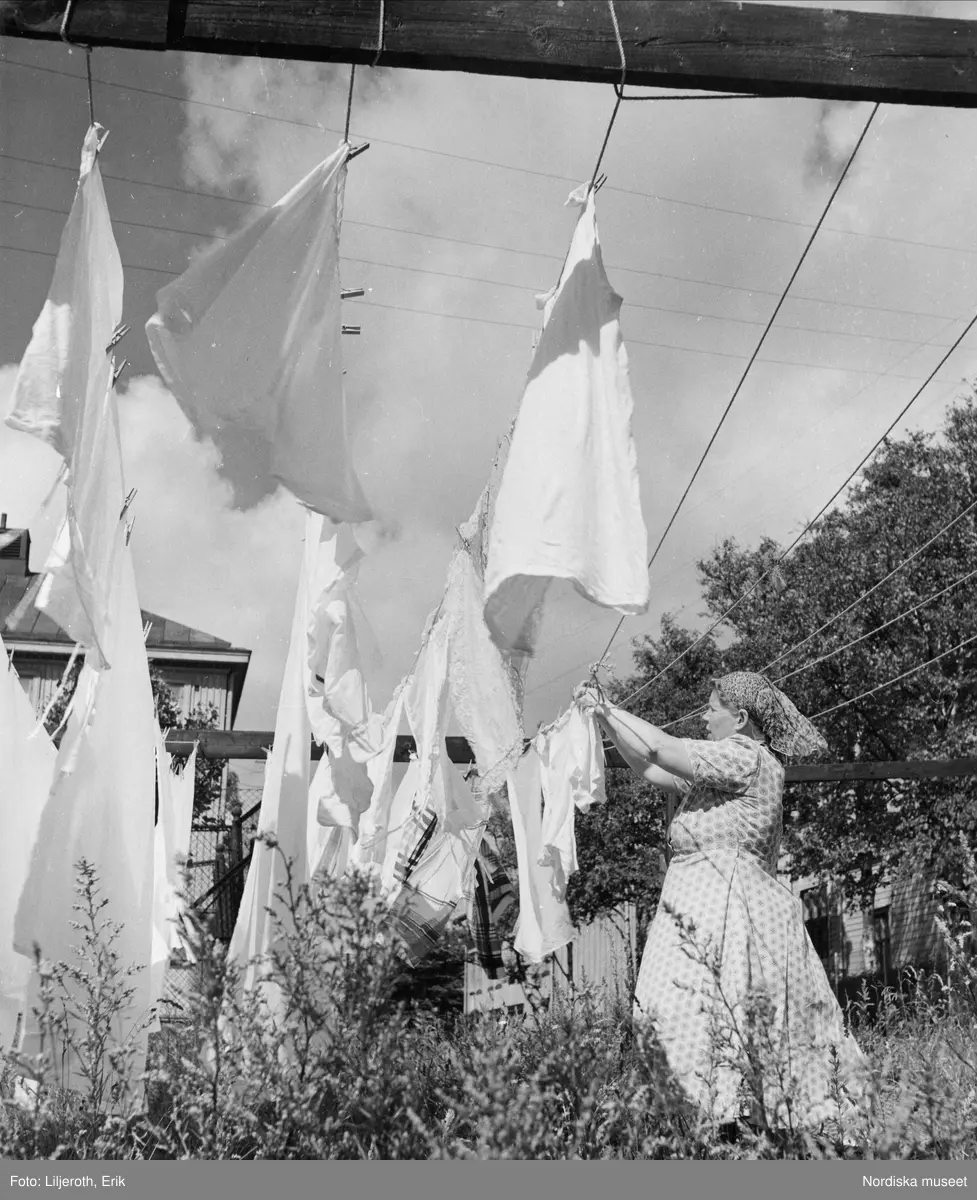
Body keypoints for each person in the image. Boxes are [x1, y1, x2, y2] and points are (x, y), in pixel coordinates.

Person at [573, 671, 871, 1133]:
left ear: (741, 718)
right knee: (686, 1016)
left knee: (707, 1014)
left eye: (712, 709)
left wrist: (607, 707)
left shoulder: (744, 756)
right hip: (704, 907)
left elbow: (658, 748)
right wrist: (604, 718)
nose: (704, 717)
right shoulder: (723, 772)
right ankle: (710, 1119)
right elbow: (648, 768)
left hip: (728, 911)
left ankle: (721, 1121)